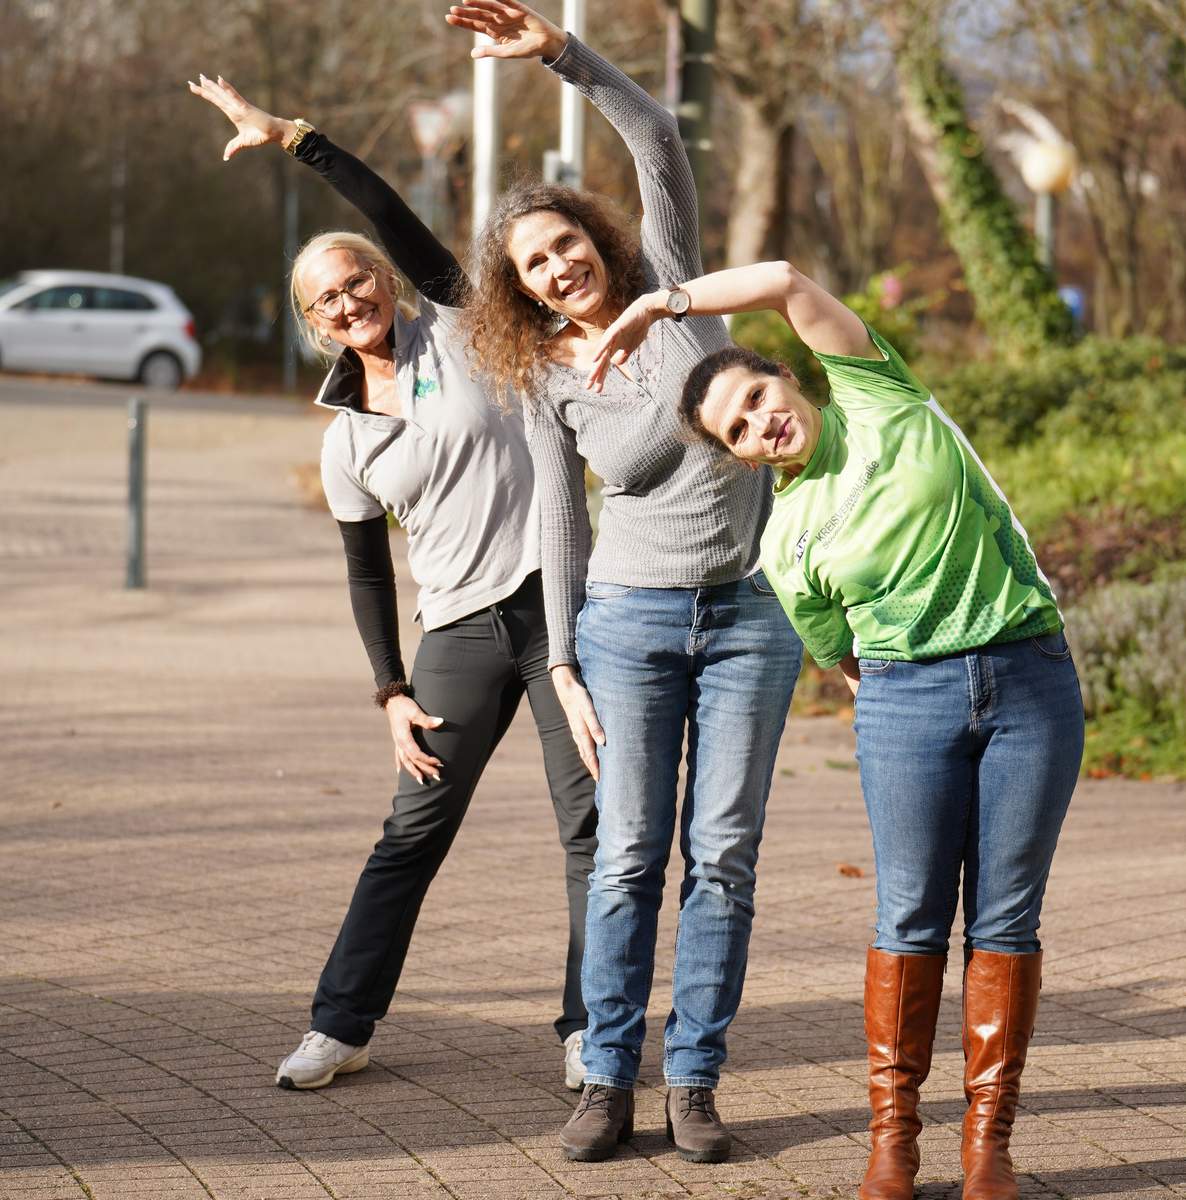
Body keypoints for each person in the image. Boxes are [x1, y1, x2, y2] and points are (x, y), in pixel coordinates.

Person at [590, 258, 1084, 1200]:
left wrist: (661, 301)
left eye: (757, 395)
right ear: (741, 457)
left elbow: (783, 278)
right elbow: (837, 651)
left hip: (1031, 682)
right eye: (737, 430)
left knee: (1007, 921)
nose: (758, 422)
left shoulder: (878, 393)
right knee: (910, 917)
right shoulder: (786, 539)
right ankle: (893, 1142)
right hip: (907, 705)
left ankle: (989, 1147)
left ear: (788, 377)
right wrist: (904, 683)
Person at [444, 2, 803, 1164]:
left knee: (727, 857)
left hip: (750, 618)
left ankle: (693, 1081)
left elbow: (654, 136)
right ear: (526, 288)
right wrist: (557, 656)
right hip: (629, 628)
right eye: (536, 263)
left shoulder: (677, 288)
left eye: (566, 241)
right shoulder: (543, 377)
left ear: (595, 237)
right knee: (629, 855)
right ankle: (604, 1076)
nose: (562, 264)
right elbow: (559, 516)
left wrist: (560, 55)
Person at [188, 74, 597, 1094]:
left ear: (387, 283)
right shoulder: (345, 445)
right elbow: (365, 573)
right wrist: (389, 688)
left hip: (558, 611)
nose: (347, 300)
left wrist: (294, 137)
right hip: (458, 634)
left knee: (593, 823)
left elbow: (388, 211)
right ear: (314, 324)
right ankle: (342, 1023)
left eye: (357, 282)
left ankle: (593, 1029)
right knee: (410, 831)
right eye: (326, 298)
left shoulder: (463, 332)